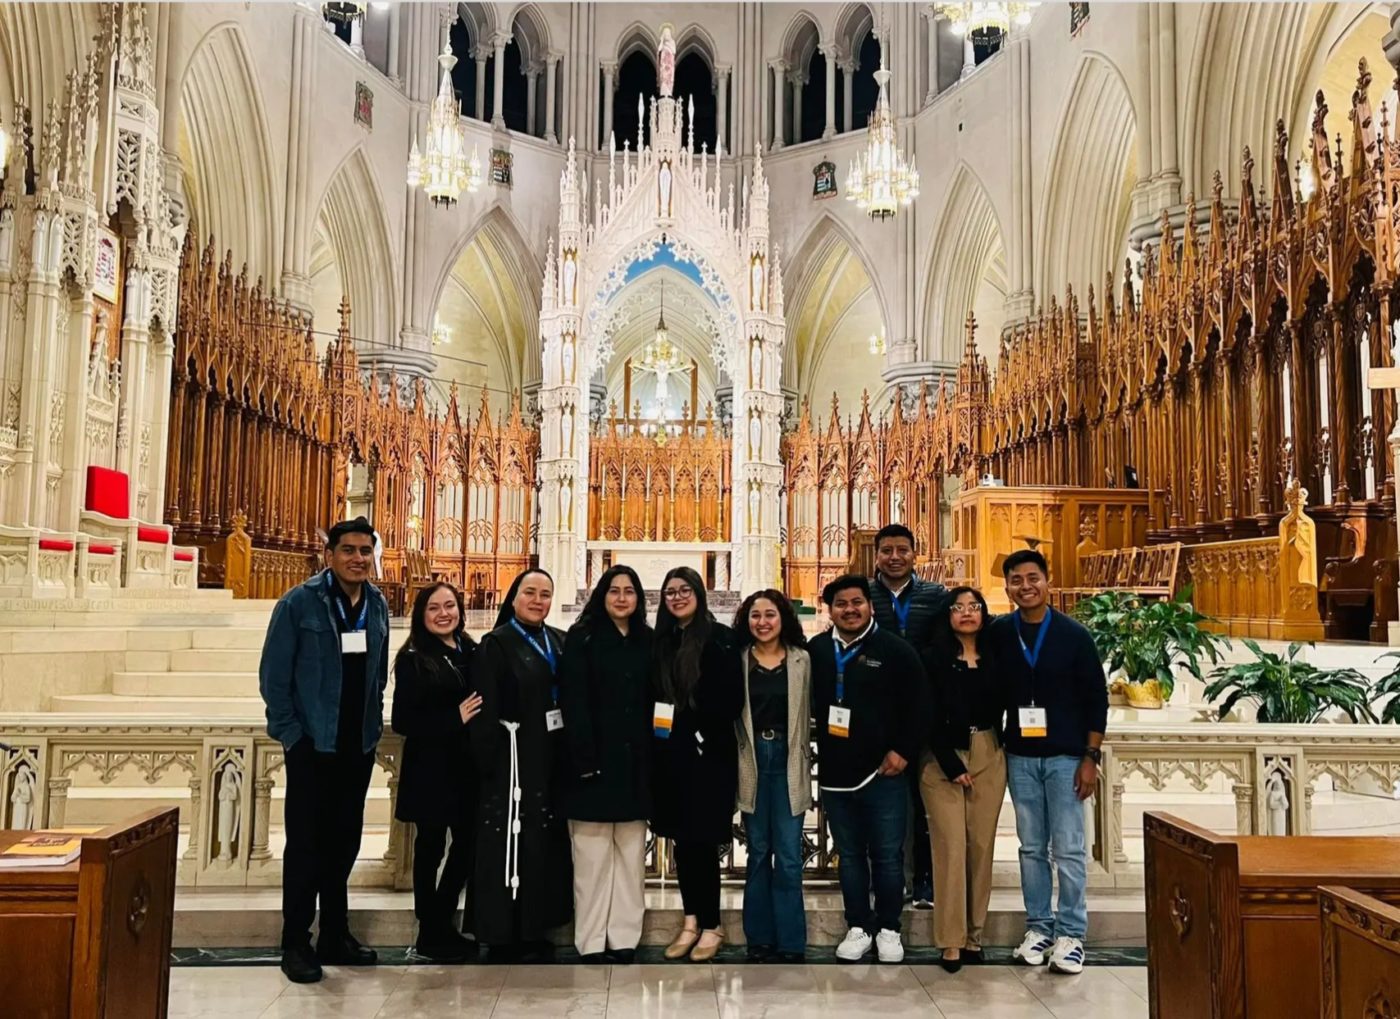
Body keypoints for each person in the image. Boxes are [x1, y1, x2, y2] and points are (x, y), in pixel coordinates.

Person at [259, 517, 390, 984]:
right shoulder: (300, 603)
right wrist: (293, 736)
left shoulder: (376, 603)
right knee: (307, 849)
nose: (358, 558)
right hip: (313, 745)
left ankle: (336, 934)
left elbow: (378, 674)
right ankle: (296, 942)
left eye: (365, 550)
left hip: (356, 745)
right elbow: (275, 675)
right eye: (349, 550)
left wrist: (371, 725)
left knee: (344, 845)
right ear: (330, 554)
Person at [989, 549, 1107, 976]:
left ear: (1047, 581)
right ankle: (1039, 927)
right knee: (1031, 848)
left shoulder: (1074, 635)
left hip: (1065, 757)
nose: (1025, 586)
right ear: (1007, 587)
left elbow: (1097, 698)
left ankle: (1072, 934)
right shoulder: (1001, 632)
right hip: (1020, 756)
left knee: (1070, 850)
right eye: (1016, 580)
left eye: (1032, 577)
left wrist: (1090, 758)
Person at [811, 574, 927, 964]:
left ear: (869, 605)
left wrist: (902, 751)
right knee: (850, 855)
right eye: (841, 603)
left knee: (887, 855)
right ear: (830, 609)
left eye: (856, 602)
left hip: (884, 772)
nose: (849, 609)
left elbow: (918, 706)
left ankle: (890, 928)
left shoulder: (895, 650)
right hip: (836, 774)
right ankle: (858, 926)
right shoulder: (817, 651)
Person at [470, 568, 573, 962]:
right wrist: (491, 761)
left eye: (545, 594)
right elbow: (484, 706)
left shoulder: (558, 641)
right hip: (509, 758)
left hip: (548, 756)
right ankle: (501, 934)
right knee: (506, 841)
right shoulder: (495, 644)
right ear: (514, 597)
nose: (537, 600)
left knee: (540, 843)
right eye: (529, 592)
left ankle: (533, 929)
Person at [559, 565, 654, 963]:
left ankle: (625, 938)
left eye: (629, 591)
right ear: (602, 595)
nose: (621, 598)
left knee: (631, 859)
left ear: (638, 598)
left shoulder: (649, 640)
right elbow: (573, 702)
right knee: (592, 860)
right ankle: (592, 940)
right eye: (613, 590)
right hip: (591, 765)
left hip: (635, 765)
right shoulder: (582, 638)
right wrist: (584, 760)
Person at [650, 566, 744, 963]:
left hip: (709, 758)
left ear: (698, 593)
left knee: (703, 844)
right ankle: (691, 920)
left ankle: (712, 923)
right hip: (671, 758)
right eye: (669, 591)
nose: (676, 597)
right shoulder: (661, 641)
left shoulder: (720, 639)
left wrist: (699, 734)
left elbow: (728, 699)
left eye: (684, 589)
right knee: (682, 845)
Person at [391, 582, 482, 962]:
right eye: (434, 608)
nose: (444, 613)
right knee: (429, 848)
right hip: (431, 768)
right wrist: (453, 718)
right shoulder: (413, 658)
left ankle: (439, 919)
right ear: (421, 615)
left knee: (466, 846)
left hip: (467, 768)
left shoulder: (472, 650)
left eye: (450, 606)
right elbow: (402, 720)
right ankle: (429, 929)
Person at [920, 587, 1006, 973]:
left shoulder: (996, 656)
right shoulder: (932, 658)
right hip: (943, 756)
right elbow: (924, 714)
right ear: (947, 615)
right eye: (958, 607)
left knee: (981, 845)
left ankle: (975, 935)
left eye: (974, 607)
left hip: (989, 748)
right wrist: (950, 762)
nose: (967, 613)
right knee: (951, 846)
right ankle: (950, 941)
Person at [866, 523, 947, 910]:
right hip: (878, 716)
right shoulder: (861, 595)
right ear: (876, 555)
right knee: (882, 804)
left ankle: (925, 883)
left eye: (902, 549)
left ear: (915, 553)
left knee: (923, 803)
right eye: (887, 550)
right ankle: (886, 878)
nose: (894, 557)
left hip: (925, 714)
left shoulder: (936, 595)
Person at [733, 589, 812, 964]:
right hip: (752, 759)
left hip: (788, 759)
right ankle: (759, 939)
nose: (762, 622)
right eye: (754, 615)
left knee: (790, 853)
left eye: (769, 615)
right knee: (759, 851)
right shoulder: (737, 661)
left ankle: (792, 941)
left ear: (783, 618)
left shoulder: (802, 661)